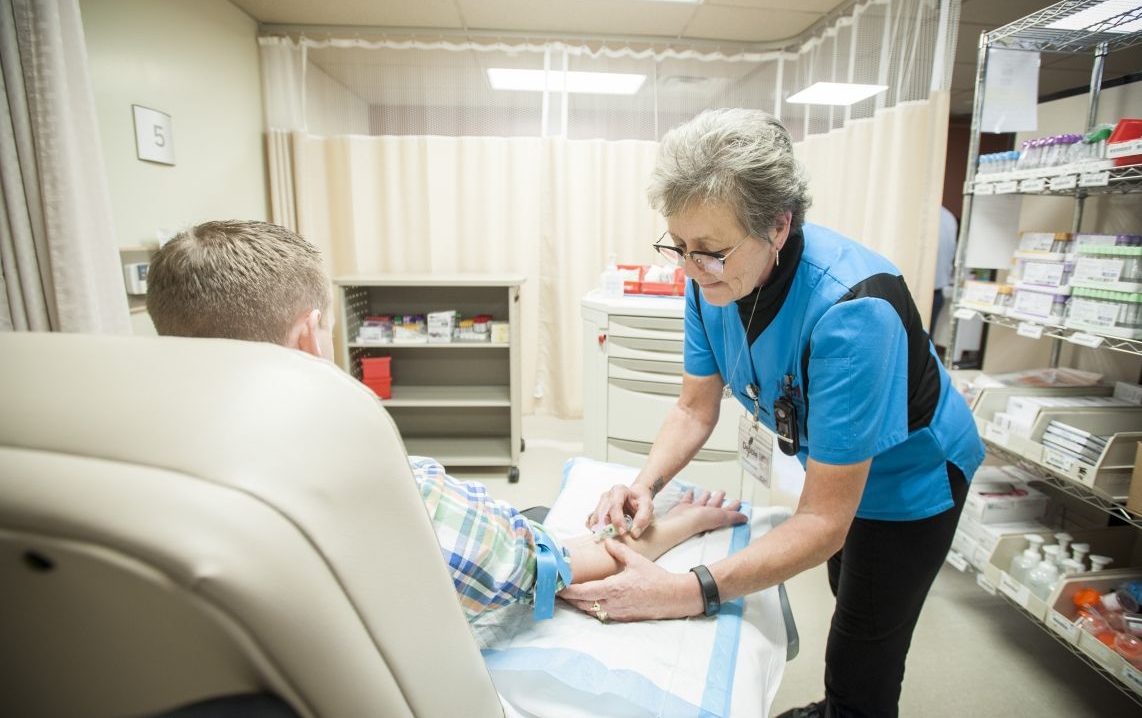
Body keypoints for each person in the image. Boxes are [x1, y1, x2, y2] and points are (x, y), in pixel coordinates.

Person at [559, 109, 984, 718]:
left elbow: (822, 522)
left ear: (778, 226)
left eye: (708, 250)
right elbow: (692, 408)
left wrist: (685, 593)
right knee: (848, 589)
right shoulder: (708, 280)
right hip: (835, 468)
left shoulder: (853, 311)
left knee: (867, 638)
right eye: (678, 246)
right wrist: (643, 485)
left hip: (910, 479)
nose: (689, 266)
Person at [146, 219, 747, 630]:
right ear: (309, 335)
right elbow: (545, 564)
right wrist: (671, 529)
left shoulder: (143, 466)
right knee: (548, 525)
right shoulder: (366, 479)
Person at [931, 205, 958, 340]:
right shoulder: (948, 216)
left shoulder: (921, 214)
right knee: (925, 344)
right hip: (938, 291)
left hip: (915, 291)